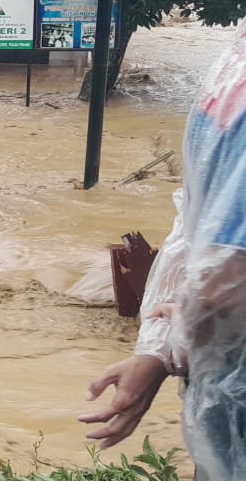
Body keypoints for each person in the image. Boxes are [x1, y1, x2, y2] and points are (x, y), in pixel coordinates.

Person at [80, 26, 246, 480]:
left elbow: (197, 235)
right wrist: (164, 349)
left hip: (219, 386)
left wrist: (160, 350)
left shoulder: (231, 67)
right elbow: (224, 267)